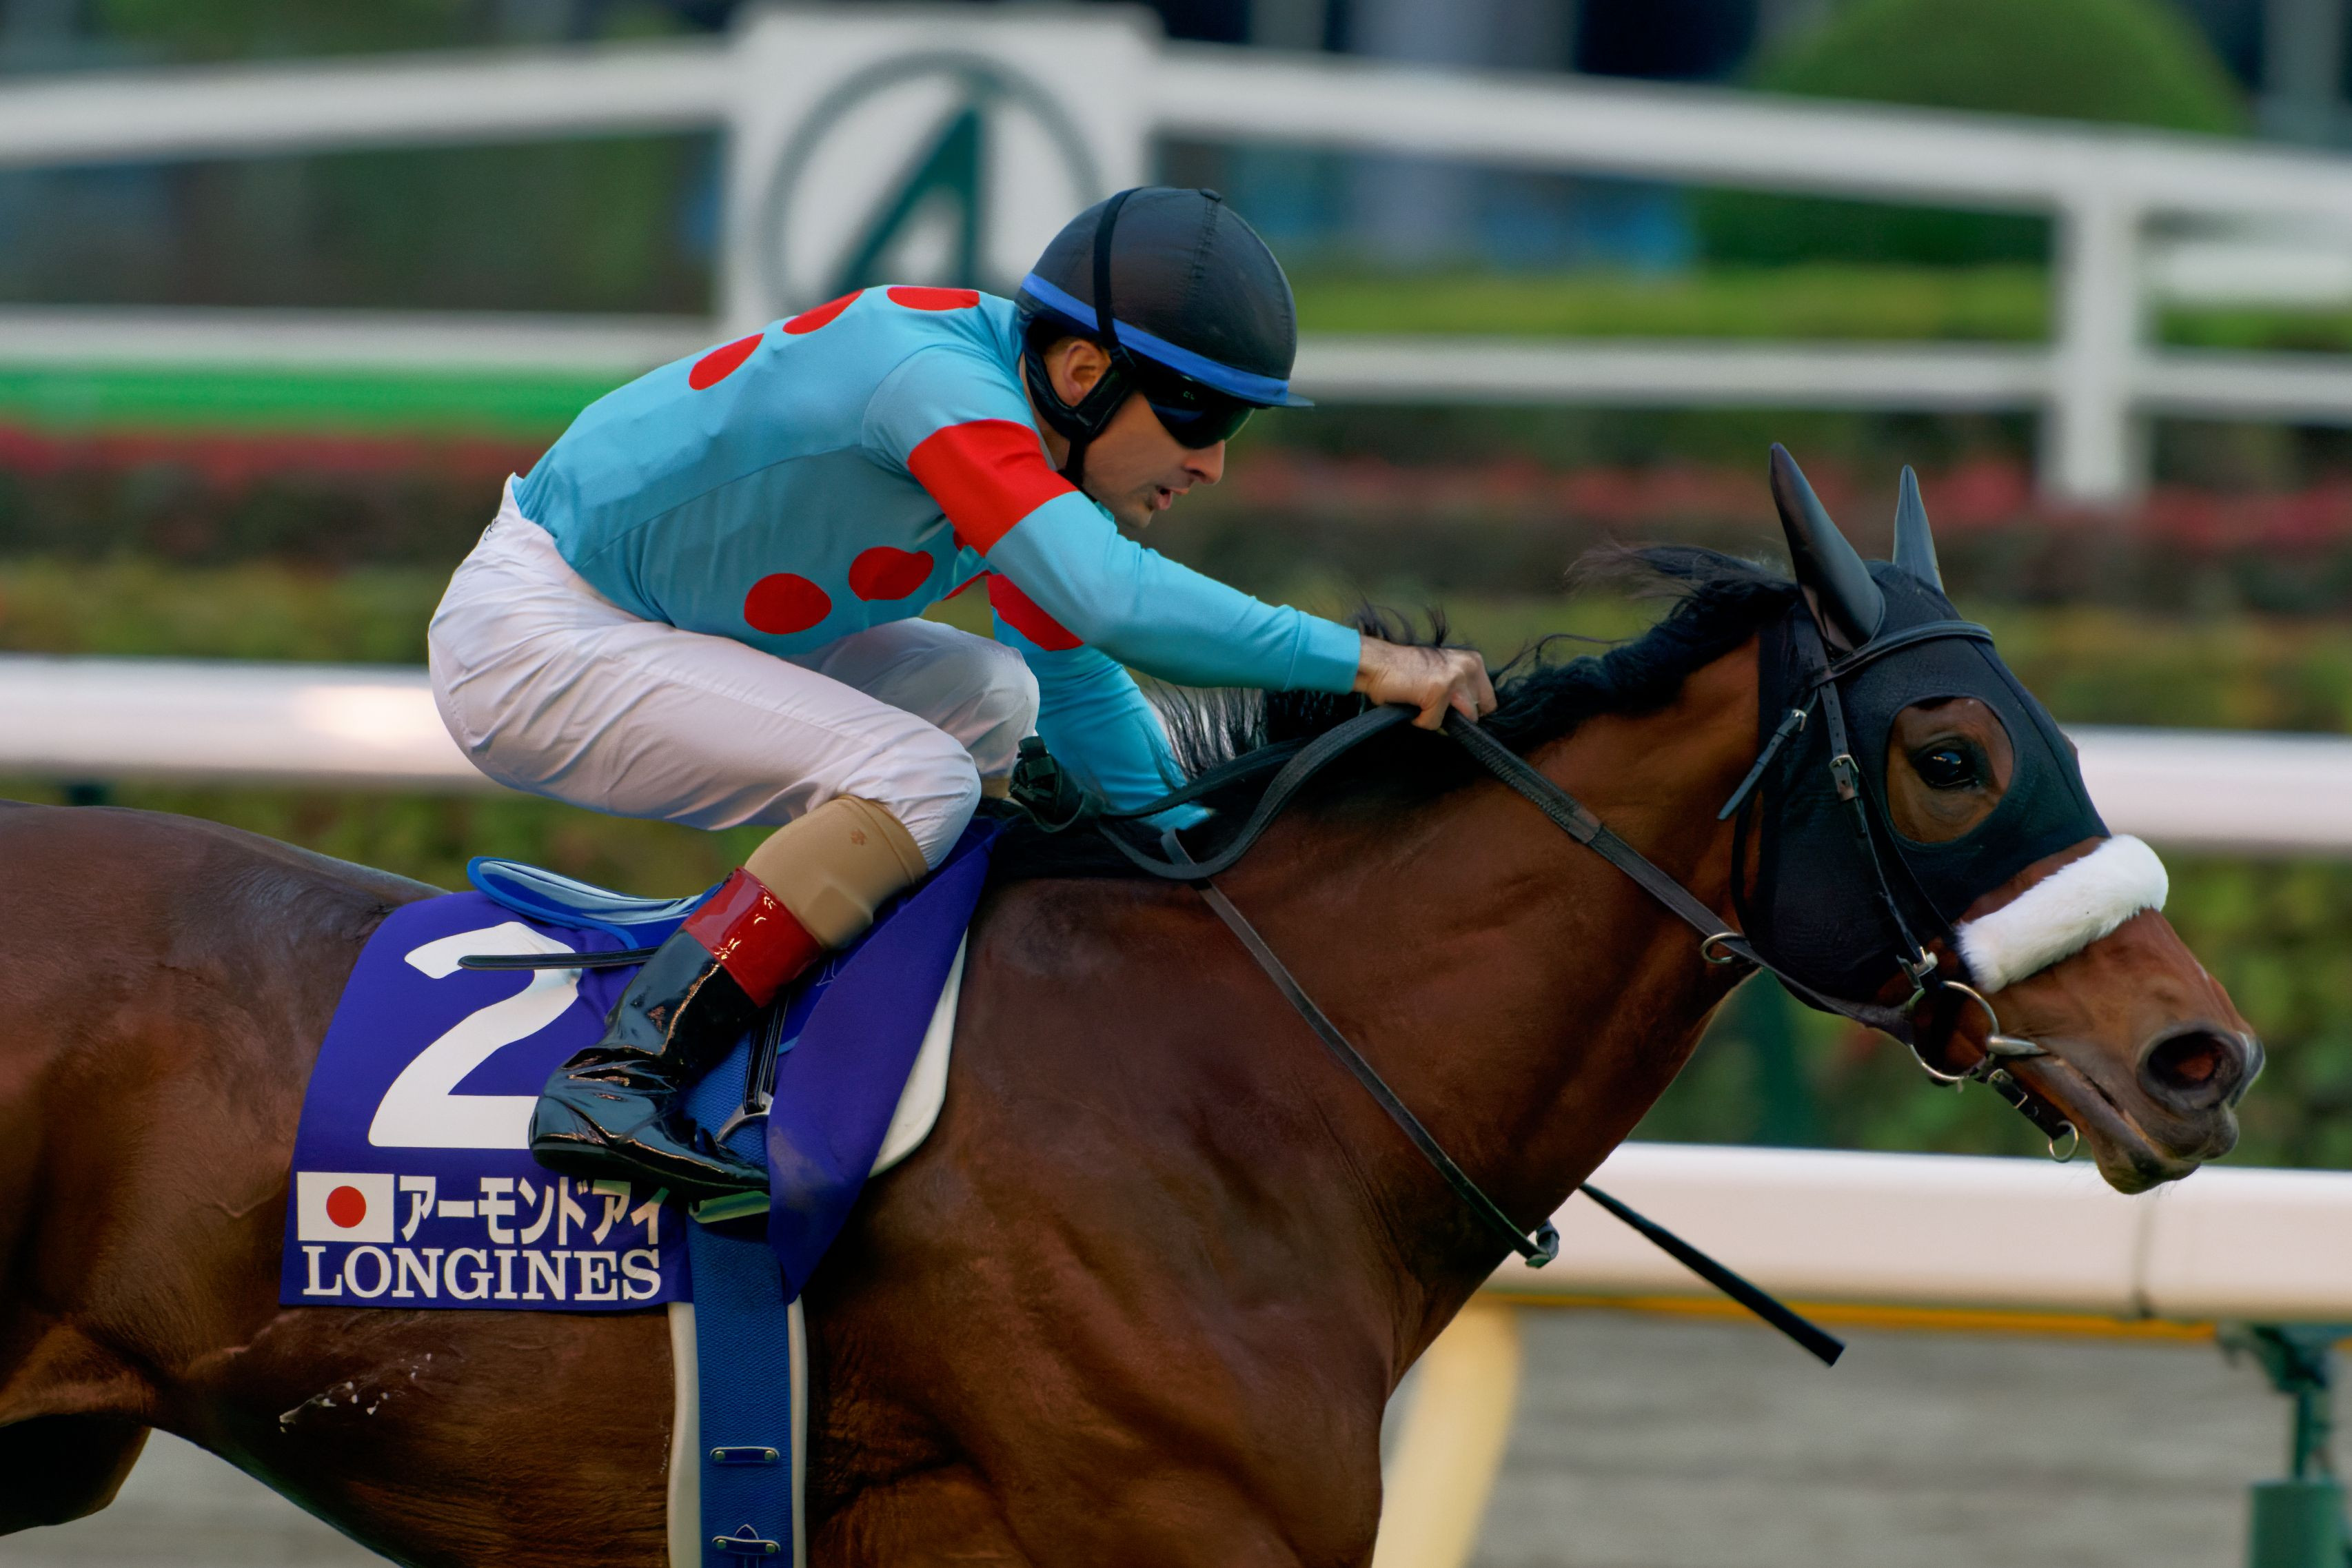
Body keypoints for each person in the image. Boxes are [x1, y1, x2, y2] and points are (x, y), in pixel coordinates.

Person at [427, 187, 1494, 1203]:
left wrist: (1215, 892)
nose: (1212, 464)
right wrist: (1368, 662)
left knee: (1001, 699)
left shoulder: (1023, 439)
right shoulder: (935, 385)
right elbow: (1110, 599)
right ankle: (622, 1076)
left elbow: (1079, 686)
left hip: (676, 625)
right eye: (1198, 417)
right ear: (1083, 371)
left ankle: (918, 1019)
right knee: (920, 776)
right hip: (535, 639)